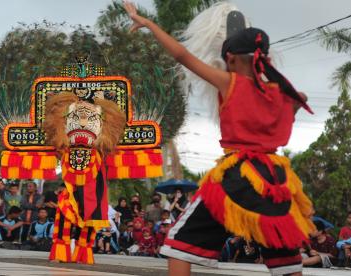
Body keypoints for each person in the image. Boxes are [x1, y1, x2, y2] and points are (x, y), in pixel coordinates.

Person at [124, 1, 315, 275]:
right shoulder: (279, 93)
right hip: (276, 181)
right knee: (285, 258)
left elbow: (181, 56)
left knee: (178, 244)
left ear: (232, 59)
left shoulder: (231, 83)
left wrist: (149, 23)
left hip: (238, 177)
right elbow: (300, 101)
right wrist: (291, 105)